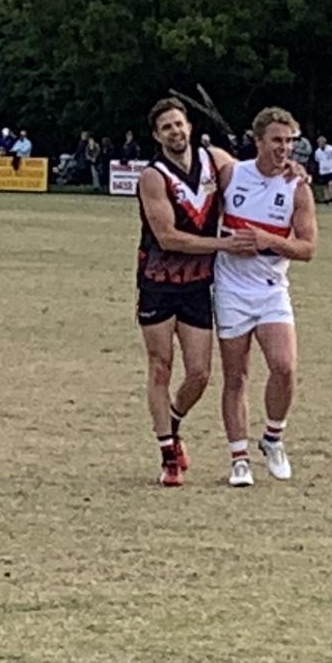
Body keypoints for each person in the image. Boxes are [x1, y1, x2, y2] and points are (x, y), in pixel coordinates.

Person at [136, 98, 257, 487]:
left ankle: (171, 420)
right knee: (160, 365)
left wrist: (291, 172)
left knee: (200, 373)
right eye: (166, 127)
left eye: (179, 124)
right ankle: (168, 454)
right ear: (157, 136)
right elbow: (168, 237)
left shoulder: (214, 160)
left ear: (189, 126)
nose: (175, 131)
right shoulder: (153, 177)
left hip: (196, 285)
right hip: (158, 281)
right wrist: (223, 245)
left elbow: (253, 181)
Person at [213, 107, 318, 487]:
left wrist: (267, 240)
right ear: (257, 141)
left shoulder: (297, 187)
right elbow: (202, 156)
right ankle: (238, 458)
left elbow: (307, 248)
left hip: (272, 290)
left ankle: (273, 438)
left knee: (284, 365)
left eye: (289, 141)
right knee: (235, 376)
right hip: (230, 289)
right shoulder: (232, 174)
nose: (284, 148)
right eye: (276, 140)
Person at [314, 135, 332, 203]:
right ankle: (327, 198)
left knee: (331, 184)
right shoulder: (317, 152)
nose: (320, 144)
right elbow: (317, 160)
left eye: (322, 142)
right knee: (325, 185)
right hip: (323, 171)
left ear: (325, 142)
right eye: (319, 142)